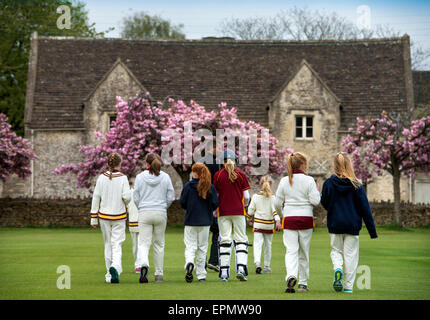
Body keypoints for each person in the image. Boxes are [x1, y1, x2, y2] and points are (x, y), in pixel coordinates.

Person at [321, 152, 378, 294]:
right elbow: (365, 208)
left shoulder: (328, 183)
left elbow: (324, 202)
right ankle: (348, 286)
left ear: (335, 165)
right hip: (352, 225)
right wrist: (372, 231)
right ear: (349, 164)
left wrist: (333, 209)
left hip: (335, 223)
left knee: (336, 251)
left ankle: (338, 269)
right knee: (351, 255)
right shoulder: (357, 184)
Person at [274, 152, 320, 293]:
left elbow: (276, 203)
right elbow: (315, 201)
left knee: (291, 251)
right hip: (306, 218)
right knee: (304, 252)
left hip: (289, 219)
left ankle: (291, 275)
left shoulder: (284, 181)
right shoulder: (309, 180)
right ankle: (303, 283)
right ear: (302, 164)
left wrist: (282, 216)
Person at [90, 153, 131, 284]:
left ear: (108, 164)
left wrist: (93, 218)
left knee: (108, 244)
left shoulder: (101, 178)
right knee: (117, 244)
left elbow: (96, 197)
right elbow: (127, 197)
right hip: (119, 216)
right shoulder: (123, 178)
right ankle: (115, 267)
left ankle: (109, 274)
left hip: (103, 216)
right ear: (120, 164)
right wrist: (126, 201)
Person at [134, 153, 175, 283]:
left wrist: (141, 206)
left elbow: (135, 197)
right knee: (159, 244)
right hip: (160, 212)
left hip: (144, 212)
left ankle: (144, 263)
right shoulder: (166, 177)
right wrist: (164, 207)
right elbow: (170, 197)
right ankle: (159, 274)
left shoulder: (140, 177)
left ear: (147, 164)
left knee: (143, 243)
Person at [213, 149, 251, 282]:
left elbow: (215, 196)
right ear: (235, 160)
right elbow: (246, 197)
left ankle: (224, 272)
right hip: (239, 211)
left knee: (224, 240)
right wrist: (245, 206)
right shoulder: (240, 174)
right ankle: (241, 268)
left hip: (223, 212)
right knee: (241, 239)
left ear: (222, 162)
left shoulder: (217, 175)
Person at [180, 163, 219, 283]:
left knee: (190, 246)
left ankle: (189, 262)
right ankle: (201, 274)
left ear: (195, 173)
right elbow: (215, 204)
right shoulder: (209, 187)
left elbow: (182, 203)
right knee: (202, 248)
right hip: (205, 222)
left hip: (191, 221)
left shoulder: (188, 186)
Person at [247, 175, 281, 274]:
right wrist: (278, 221)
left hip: (258, 224)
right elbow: (275, 211)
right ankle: (267, 266)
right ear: (270, 184)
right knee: (268, 246)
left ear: (261, 184)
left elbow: (250, 210)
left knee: (257, 245)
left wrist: (249, 219)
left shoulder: (255, 196)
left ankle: (257, 263)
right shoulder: (273, 197)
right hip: (269, 225)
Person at [203, 146, 222, 273]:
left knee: (203, 235)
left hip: (202, 203)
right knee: (216, 232)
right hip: (212, 201)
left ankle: (201, 261)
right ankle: (213, 261)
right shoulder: (216, 163)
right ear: (213, 147)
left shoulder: (201, 161)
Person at [127, 181, 140, 273]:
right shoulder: (140, 193)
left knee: (135, 245)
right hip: (140, 221)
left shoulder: (128, 194)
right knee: (141, 244)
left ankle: (138, 264)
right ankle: (140, 264)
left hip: (133, 221)